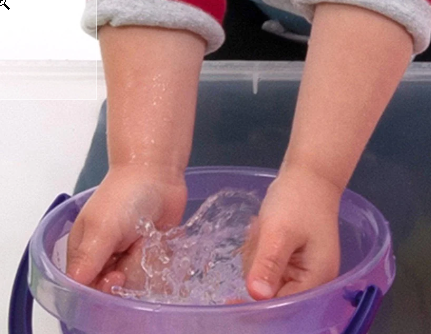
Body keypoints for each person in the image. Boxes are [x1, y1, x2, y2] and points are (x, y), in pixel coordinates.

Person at [66, 0, 431, 300]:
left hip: (404, 26)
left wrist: (315, 177)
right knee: (110, 229)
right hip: (250, 18)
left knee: (391, 297)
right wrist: (144, 165)